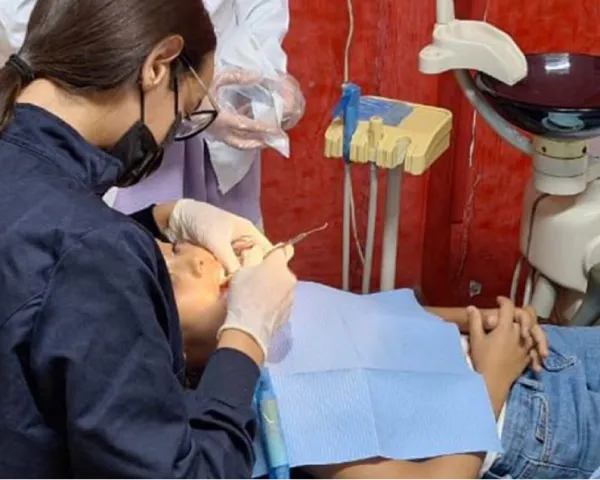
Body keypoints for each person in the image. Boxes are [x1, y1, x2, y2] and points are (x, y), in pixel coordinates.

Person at [0, 1, 297, 479]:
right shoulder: (94, 255)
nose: (168, 135)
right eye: (183, 115)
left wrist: (162, 218)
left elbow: (31, 259)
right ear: (157, 66)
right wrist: (246, 336)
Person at [159, 240, 600, 480]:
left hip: (532, 350)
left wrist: (473, 319)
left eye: (174, 247)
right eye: (171, 282)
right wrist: (492, 379)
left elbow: (372, 319)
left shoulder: (270, 304)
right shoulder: (276, 407)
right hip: (532, 423)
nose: (197, 260)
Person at [0, 0, 296, 230]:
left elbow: (263, 8)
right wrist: (188, 87)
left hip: (184, 88)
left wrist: (256, 79)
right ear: (155, 68)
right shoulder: (90, 241)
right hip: (123, 92)